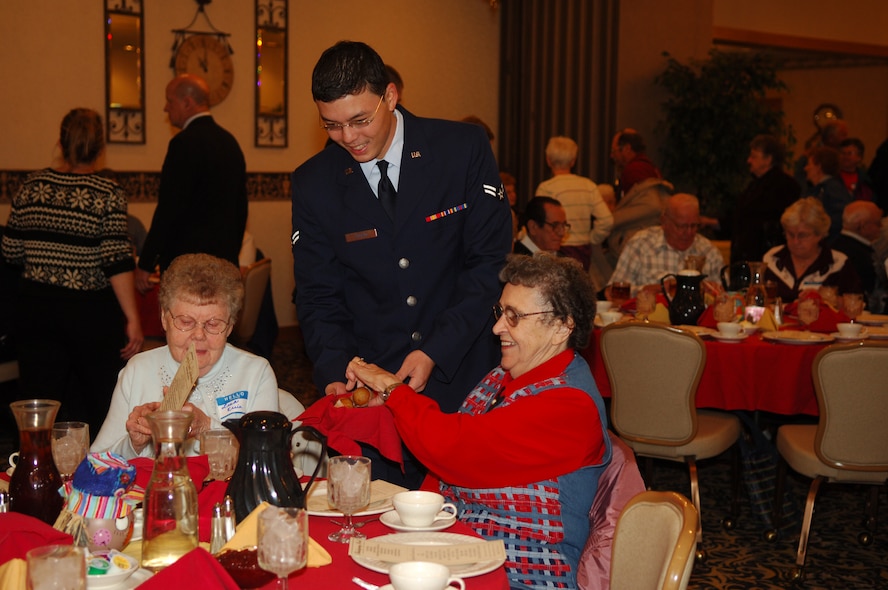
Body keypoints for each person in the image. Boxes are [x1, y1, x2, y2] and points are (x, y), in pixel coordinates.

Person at [290, 41, 512, 484]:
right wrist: (338, 370)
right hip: (374, 392)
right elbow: (318, 295)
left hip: (463, 372)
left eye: (360, 120)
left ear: (390, 96)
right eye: (332, 126)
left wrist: (436, 349)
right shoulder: (314, 182)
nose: (349, 138)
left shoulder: (461, 149)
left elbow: (490, 266)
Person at [344, 254, 610, 590]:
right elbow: (447, 456)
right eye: (501, 312)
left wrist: (393, 389)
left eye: (514, 316)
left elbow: (455, 449)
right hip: (466, 551)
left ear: (561, 327)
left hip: (524, 574)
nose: (498, 327)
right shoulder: (506, 374)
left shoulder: (571, 405)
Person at [1, 108, 142, 437]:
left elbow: (10, 251)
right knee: (100, 400)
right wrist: (132, 317)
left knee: (38, 402)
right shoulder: (107, 192)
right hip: (90, 314)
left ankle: (34, 468)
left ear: (61, 143)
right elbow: (116, 260)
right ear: (99, 148)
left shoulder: (31, 187)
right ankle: (98, 471)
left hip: (36, 308)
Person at [91, 254, 279, 459]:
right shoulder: (138, 370)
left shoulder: (255, 373)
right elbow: (96, 463)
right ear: (164, 318)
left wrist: (206, 428)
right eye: (186, 321)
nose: (199, 335)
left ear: (230, 326)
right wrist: (134, 443)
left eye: (213, 324)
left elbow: (268, 460)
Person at [135, 74, 247, 293]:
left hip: (186, 268)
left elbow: (168, 209)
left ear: (187, 102)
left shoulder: (183, 144)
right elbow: (240, 209)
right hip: (223, 264)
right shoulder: (230, 142)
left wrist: (146, 263)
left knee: (185, 324)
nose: (165, 108)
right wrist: (230, 256)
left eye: (170, 100)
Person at [701, 134, 800, 263]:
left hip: (764, 258)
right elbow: (741, 218)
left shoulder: (785, 186)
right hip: (747, 256)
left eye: (754, 157)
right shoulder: (754, 185)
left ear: (768, 159)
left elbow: (758, 221)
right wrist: (712, 222)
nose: (749, 161)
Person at [608, 193, 723, 297]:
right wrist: (656, 289)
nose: (688, 232)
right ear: (664, 221)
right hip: (646, 318)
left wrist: (714, 291)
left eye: (694, 226)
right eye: (681, 226)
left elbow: (725, 297)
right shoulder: (641, 244)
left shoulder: (708, 251)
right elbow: (612, 292)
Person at [534, 136, 613, 270]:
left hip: (556, 248)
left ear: (548, 160)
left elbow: (539, 222)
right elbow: (607, 220)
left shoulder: (546, 187)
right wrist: (591, 238)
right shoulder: (589, 186)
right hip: (583, 250)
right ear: (573, 161)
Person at [763, 197, 861, 302]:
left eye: (803, 235)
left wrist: (825, 299)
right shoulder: (772, 259)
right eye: (790, 234)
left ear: (819, 235)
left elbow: (855, 303)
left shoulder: (838, 263)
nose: (795, 241)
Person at [829, 200, 883, 308]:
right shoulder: (860, 255)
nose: (881, 226)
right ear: (863, 226)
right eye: (878, 223)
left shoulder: (834, 244)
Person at [804, 146, 852, 241]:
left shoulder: (832, 189)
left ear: (818, 167)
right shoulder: (820, 189)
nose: (805, 168)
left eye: (809, 164)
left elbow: (841, 218)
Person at [610, 130, 661, 201]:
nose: (612, 156)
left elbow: (636, 204)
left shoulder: (633, 171)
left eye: (614, 151)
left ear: (627, 148)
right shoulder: (649, 166)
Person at [837, 138, 876, 202]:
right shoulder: (831, 177)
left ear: (859, 157)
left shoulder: (865, 180)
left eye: (850, 153)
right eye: (842, 153)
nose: (845, 156)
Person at [500, 171, 520, 241]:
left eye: (513, 191)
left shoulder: (512, 212)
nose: (513, 195)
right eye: (508, 192)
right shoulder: (501, 214)